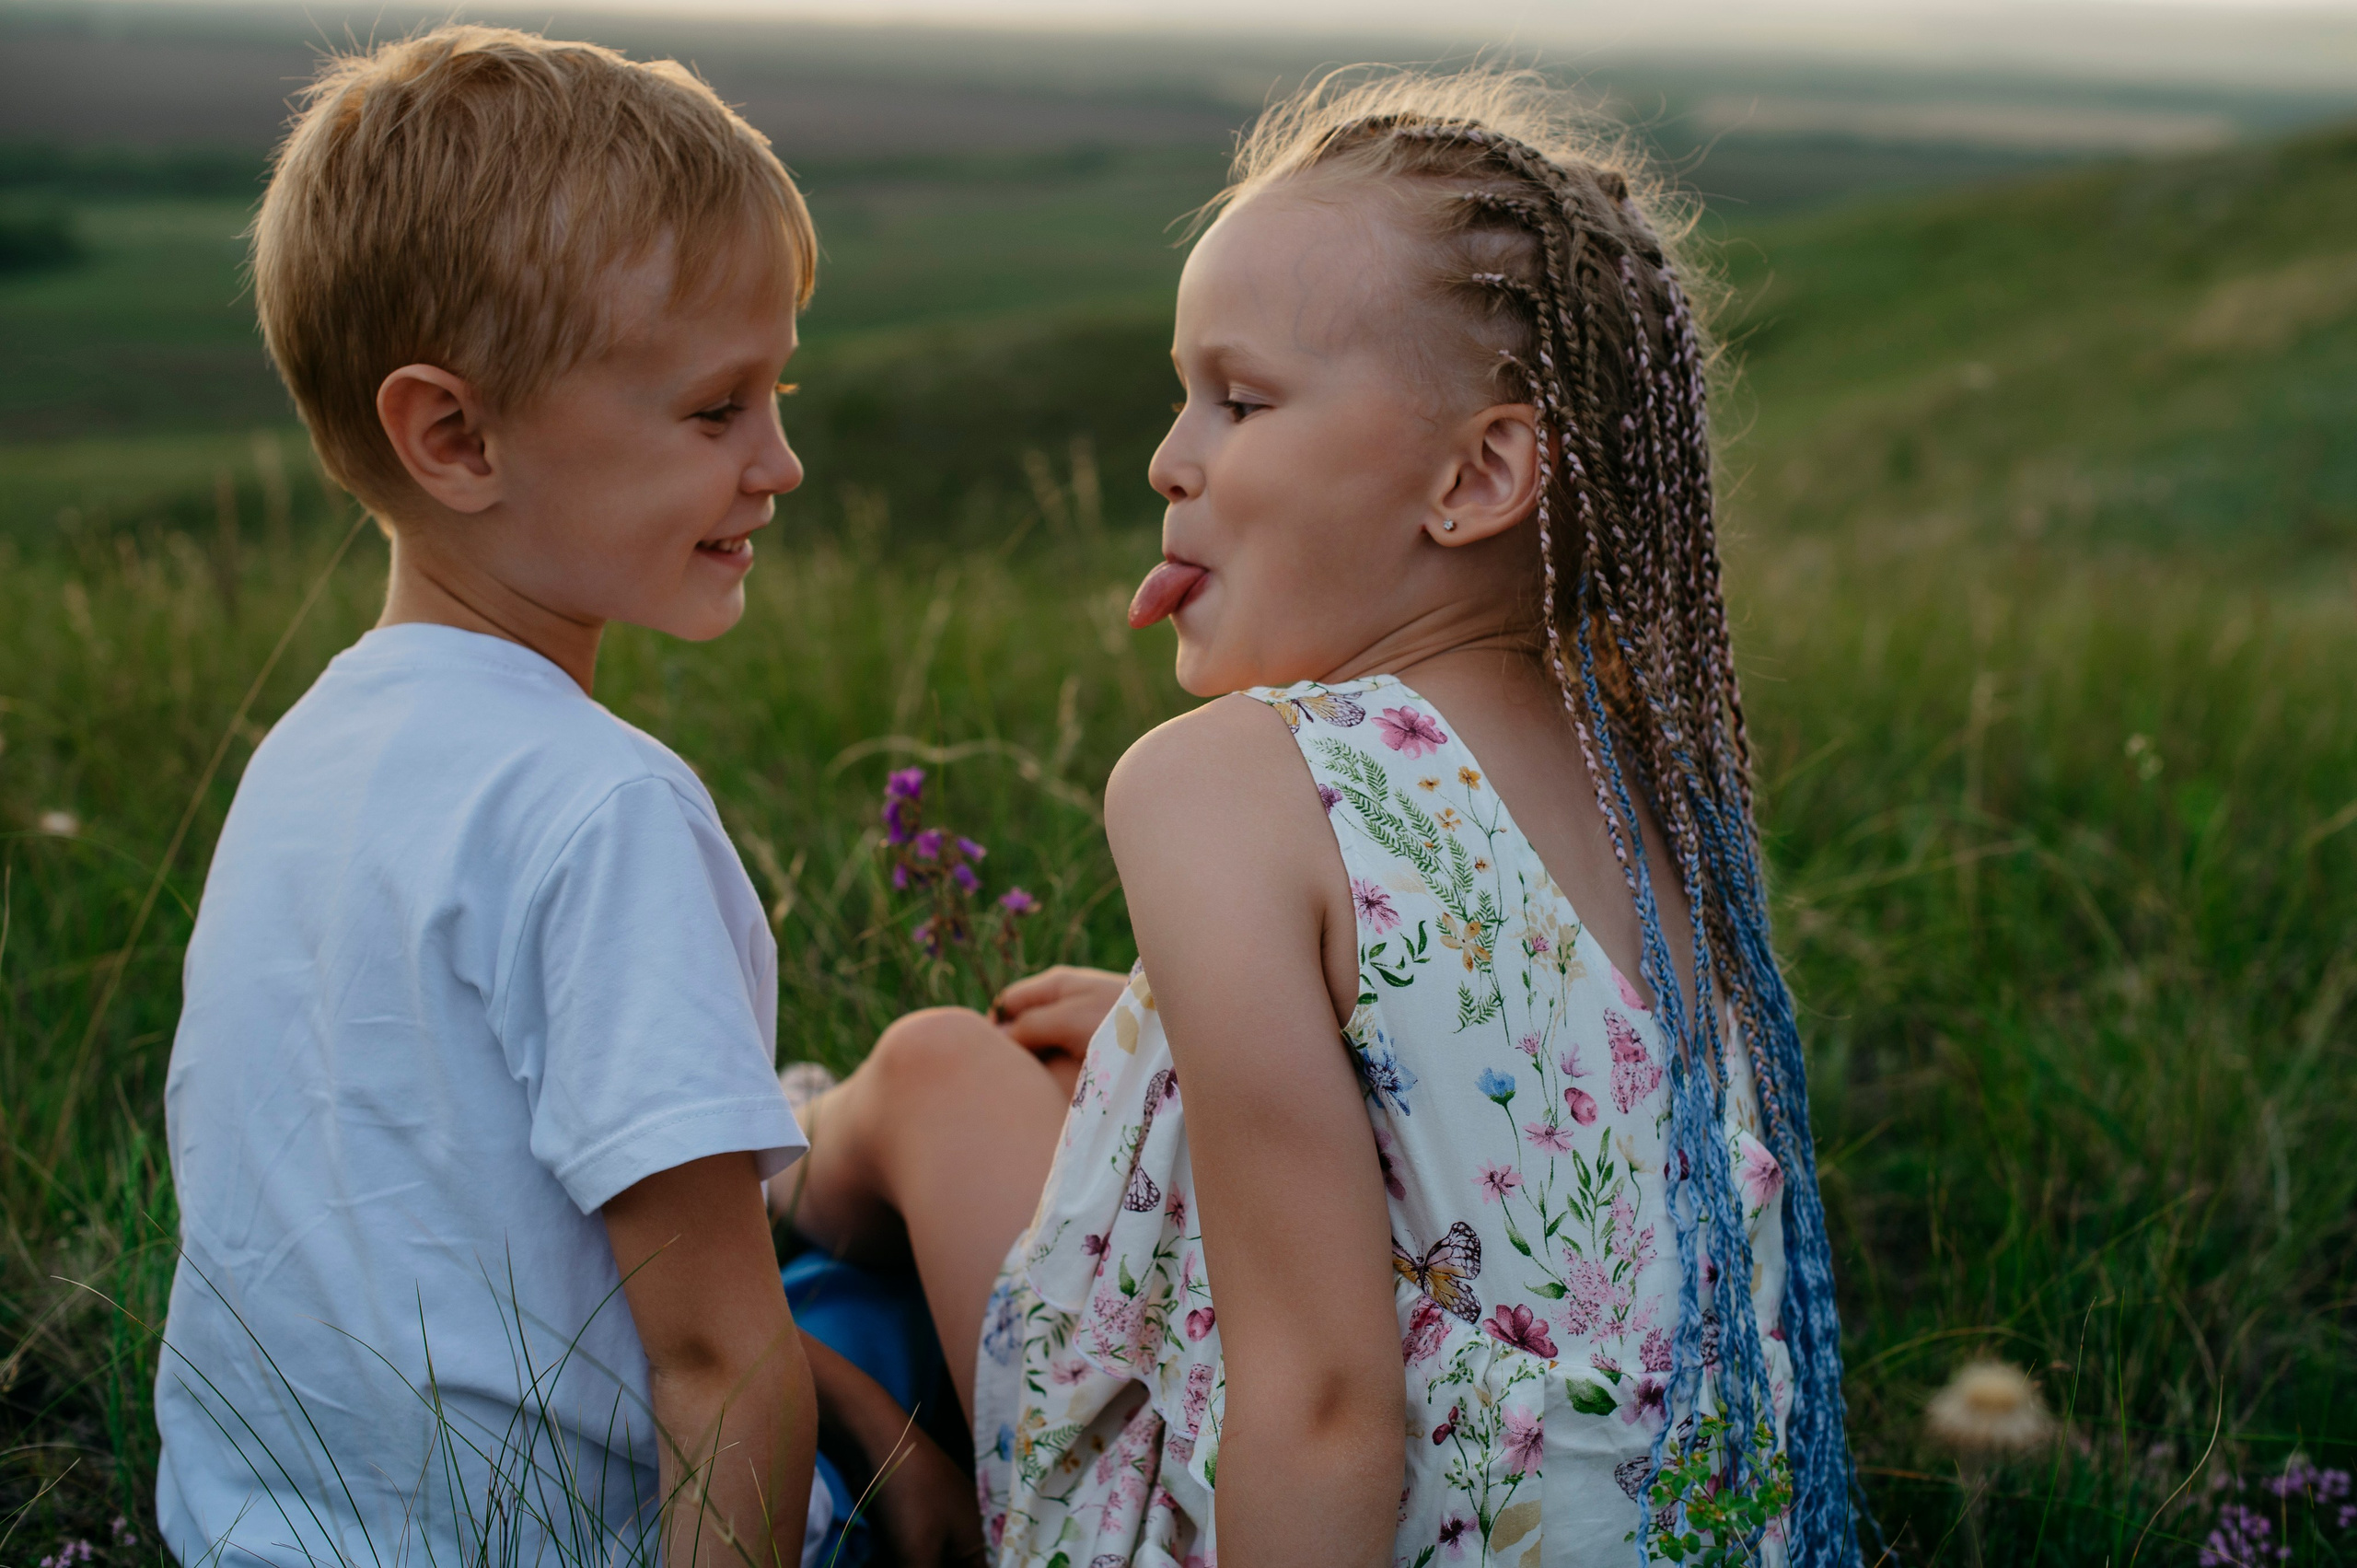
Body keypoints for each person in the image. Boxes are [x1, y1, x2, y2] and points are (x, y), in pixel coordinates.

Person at [774, 67, 1864, 1567]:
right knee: (1077, 1062)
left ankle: (780, 1178)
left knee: (944, 1066)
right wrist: (1176, 1048)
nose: (1170, 456)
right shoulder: (1644, 779)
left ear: (1476, 475)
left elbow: (1329, 1404)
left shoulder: (1220, 781)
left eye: (1241, 398)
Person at [151, 28, 969, 1568]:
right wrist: (889, 1441)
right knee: (916, 1275)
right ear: (454, 437)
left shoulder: (302, 756)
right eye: (717, 410)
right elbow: (719, 1371)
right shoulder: (603, 812)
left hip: (256, 1534)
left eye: (775, 396)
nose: (781, 462)